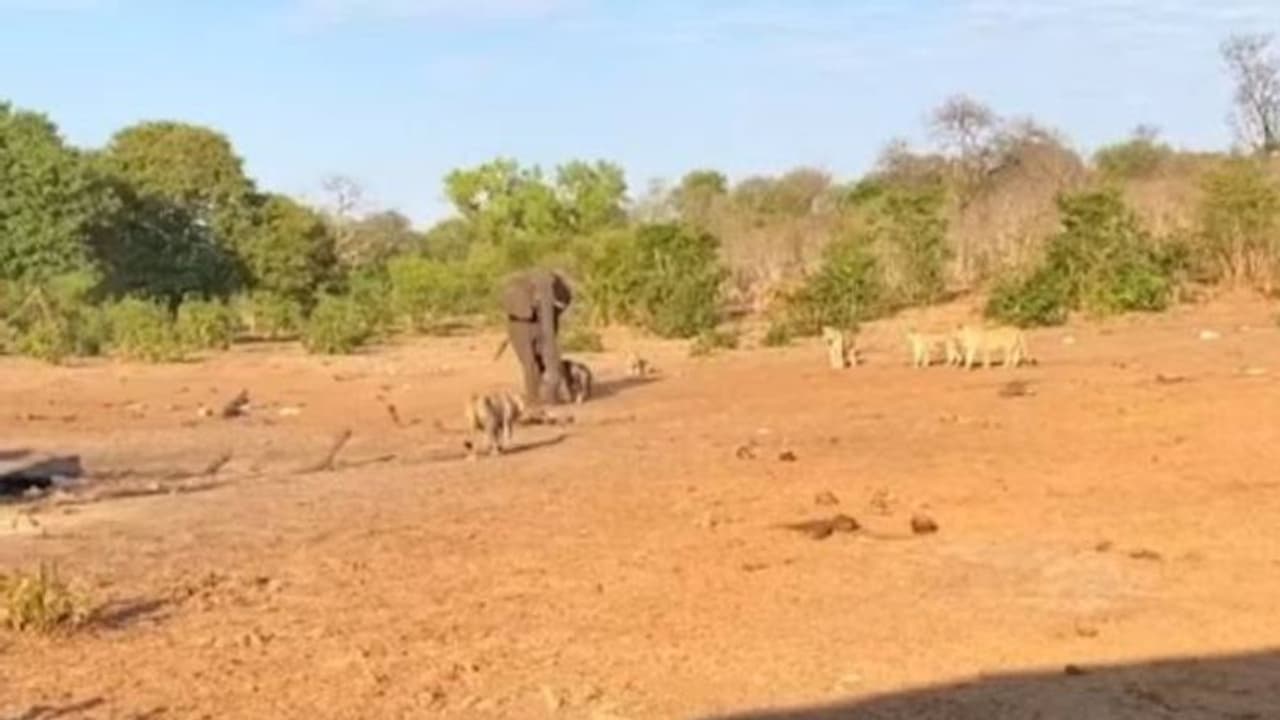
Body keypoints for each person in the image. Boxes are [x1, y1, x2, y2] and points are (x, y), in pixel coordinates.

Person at [499, 268, 573, 406]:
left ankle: (552, 395)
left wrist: (549, 309)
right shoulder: (517, 290)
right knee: (530, 364)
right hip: (521, 328)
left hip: (544, 323)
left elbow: (561, 302)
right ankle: (533, 397)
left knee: (549, 360)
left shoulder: (550, 306)